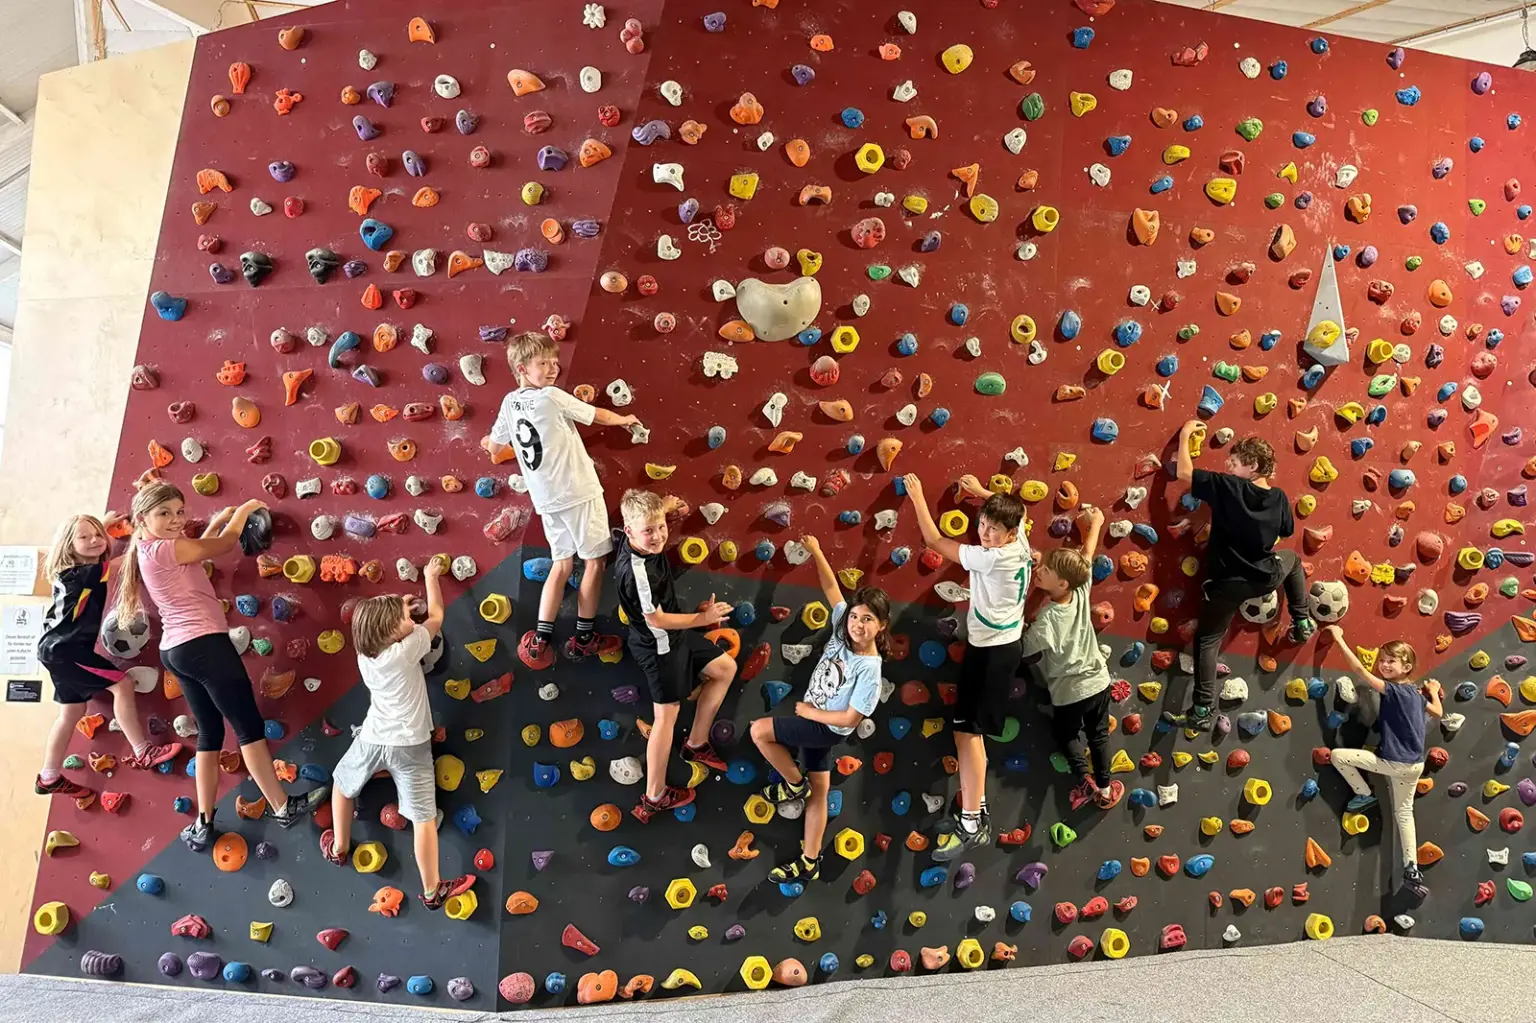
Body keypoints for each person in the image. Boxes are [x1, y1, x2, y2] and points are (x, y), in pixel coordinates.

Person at [115, 481, 327, 852]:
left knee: (210, 734)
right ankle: (282, 805)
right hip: (203, 646)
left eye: (180, 512)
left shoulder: (155, 550)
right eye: (164, 513)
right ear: (142, 518)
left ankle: (204, 823)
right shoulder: (165, 548)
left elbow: (198, 553)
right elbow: (223, 546)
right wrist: (243, 509)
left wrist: (222, 518)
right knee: (247, 727)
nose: (175, 520)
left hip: (177, 650)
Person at [320, 558, 476, 908]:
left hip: (374, 737)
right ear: (393, 633)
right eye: (405, 619)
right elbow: (436, 615)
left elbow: (381, 625)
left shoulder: (365, 654)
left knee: (342, 785)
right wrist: (430, 577)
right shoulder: (407, 650)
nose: (412, 619)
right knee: (423, 818)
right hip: (410, 745)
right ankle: (433, 890)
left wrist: (396, 612)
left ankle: (340, 847)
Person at [486, 331, 639, 668]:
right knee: (595, 562)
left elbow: (494, 447)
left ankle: (541, 638)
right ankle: (584, 636)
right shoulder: (551, 397)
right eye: (544, 363)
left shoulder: (509, 403)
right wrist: (624, 419)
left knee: (562, 564)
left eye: (554, 362)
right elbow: (594, 413)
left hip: (546, 499)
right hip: (579, 491)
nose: (553, 368)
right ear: (523, 368)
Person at [904, 473, 1031, 861]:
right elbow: (1020, 511)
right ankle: (976, 807)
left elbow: (934, 542)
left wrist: (918, 496)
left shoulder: (992, 559)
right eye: (983, 525)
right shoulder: (1022, 541)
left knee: (968, 734)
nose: (985, 533)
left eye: (995, 530)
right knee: (967, 734)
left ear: (1009, 535)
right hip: (996, 647)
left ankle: (972, 822)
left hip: (993, 653)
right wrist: (980, 494)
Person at [749, 535, 887, 883]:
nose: (858, 624)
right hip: (818, 723)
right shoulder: (843, 631)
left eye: (868, 619)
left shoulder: (870, 669)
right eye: (856, 617)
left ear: (881, 626)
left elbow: (851, 719)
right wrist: (818, 551)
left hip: (825, 726)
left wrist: (811, 714)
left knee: (759, 731)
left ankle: (793, 784)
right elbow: (831, 589)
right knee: (820, 792)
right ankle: (810, 861)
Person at [1166, 423, 1313, 732]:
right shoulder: (1280, 498)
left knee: (1208, 640)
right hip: (1263, 577)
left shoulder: (1228, 486)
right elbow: (1285, 532)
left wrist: (1183, 437)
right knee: (1293, 560)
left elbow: (1183, 473)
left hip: (1227, 584)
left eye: (1234, 463)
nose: (1228, 468)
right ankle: (1301, 622)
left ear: (1253, 466)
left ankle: (1203, 710)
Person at [34, 512, 182, 799]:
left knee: (72, 712)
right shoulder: (83, 575)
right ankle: (143, 751)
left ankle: (49, 776)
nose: (94, 541)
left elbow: (93, 546)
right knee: (122, 684)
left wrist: (102, 527)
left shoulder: (71, 573)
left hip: (55, 649)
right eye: (84, 537)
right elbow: (121, 564)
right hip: (66, 649)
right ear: (68, 545)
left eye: (97, 536)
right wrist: (143, 534)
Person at [613, 489, 737, 823]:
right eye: (649, 531)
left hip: (676, 637)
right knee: (666, 718)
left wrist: (662, 509)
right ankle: (654, 796)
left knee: (725, 667)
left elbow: (647, 519)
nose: (657, 536)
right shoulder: (639, 573)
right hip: (659, 647)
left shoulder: (635, 535)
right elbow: (656, 619)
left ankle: (696, 743)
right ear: (629, 532)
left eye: (660, 527)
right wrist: (703, 620)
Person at [1324, 626, 1442, 896]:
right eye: (1383, 660)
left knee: (1338, 756)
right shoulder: (1415, 693)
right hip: (1415, 766)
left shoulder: (1394, 691)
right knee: (1404, 814)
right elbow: (1437, 711)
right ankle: (1411, 868)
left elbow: (1359, 672)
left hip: (1394, 763)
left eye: (1391, 661)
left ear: (1406, 666)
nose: (1384, 664)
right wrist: (1433, 690)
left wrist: (1339, 637)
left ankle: (1364, 794)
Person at [1022, 506, 1124, 811]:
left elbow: (1027, 650)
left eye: (1047, 572)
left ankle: (1083, 778)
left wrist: (1026, 625)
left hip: (1068, 694)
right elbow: (1087, 555)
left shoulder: (1047, 622)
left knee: (1065, 733)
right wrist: (1096, 523)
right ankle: (1104, 788)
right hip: (1099, 682)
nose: (1039, 572)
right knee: (1099, 735)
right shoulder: (1081, 591)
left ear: (1062, 583)